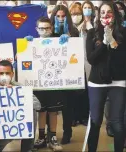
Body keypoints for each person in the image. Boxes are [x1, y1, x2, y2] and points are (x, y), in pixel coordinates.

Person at [86, 2, 126, 152]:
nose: (105, 15)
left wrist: (113, 42)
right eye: (102, 12)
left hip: (119, 81)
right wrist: (103, 42)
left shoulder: (124, 32)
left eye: (109, 12)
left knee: (117, 122)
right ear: (98, 15)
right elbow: (91, 59)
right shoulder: (92, 33)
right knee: (95, 120)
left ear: (115, 14)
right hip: (97, 82)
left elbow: (123, 59)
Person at [25, 17, 64, 151]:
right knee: (41, 111)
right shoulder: (32, 42)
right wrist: (26, 45)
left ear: (51, 28)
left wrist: (67, 41)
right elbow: (24, 59)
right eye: (41, 28)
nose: (45, 31)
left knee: (53, 111)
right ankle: (41, 137)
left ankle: (52, 138)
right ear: (37, 30)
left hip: (54, 83)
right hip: (38, 83)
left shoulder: (58, 41)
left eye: (47, 28)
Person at [49, 4, 79, 145]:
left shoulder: (74, 30)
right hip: (52, 73)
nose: (61, 19)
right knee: (51, 106)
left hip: (68, 74)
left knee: (68, 106)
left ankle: (67, 132)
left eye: (63, 16)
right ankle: (51, 134)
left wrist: (70, 37)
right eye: (58, 16)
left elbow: (77, 49)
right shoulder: (49, 30)